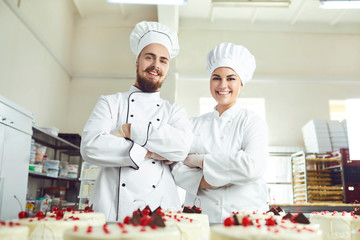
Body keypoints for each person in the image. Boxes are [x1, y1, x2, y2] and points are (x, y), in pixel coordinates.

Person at [80, 21, 193, 222]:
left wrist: (128, 130)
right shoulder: (110, 102)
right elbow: (90, 147)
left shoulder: (174, 111)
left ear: (167, 67)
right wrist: (150, 152)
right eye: (149, 57)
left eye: (163, 60)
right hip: (112, 211)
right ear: (137, 61)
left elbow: (181, 148)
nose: (156, 65)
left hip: (160, 210)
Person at [172, 42, 268, 224]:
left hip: (246, 219)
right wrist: (227, 174)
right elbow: (176, 168)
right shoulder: (192, 124)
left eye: (231, 78)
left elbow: (252, 166)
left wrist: (198, 161)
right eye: (216, 78)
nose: (223, 85)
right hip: (201, 220)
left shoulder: (252, 122)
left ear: (241, 83)